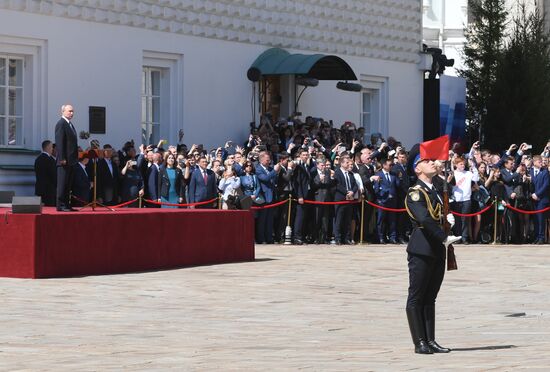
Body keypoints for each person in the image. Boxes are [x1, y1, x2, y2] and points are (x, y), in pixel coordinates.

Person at [404, 154, 461, 354]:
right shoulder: (415, 193)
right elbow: (425, 219)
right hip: (422, 248)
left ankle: (431, 340)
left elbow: (437, 215)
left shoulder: (435, 190)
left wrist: (448, 219)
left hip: (436, 248)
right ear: (417, 168)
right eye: (427, 161)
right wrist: (443, 237)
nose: (431, 163)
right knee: (417, 296)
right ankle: (419, 342)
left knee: (431, 297)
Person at [54, 104, 78, 211]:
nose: (71, 113)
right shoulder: (61, 123)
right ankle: (61, 205)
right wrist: (62, 158)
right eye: (69, 111)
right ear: (63, 111)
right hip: (64, 160)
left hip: (71, 160)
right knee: (62, 183)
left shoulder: (70, 124)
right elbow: (59, 142)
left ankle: (67, 204)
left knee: (68, 184)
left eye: (72, 111)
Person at [333, 155, 358, 244]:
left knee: (347, 220)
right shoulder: (337, 172)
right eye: (347, 162)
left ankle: (346, 238)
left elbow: (355, 185)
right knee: (339, 219)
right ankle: (338, 238)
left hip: (350, 199)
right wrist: (347, 192)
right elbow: (337, 185)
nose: (348, 164)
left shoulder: (350, 173)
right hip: (341, 199)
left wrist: (352, 192)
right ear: (342, 163)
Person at [255, 152, 279, 243]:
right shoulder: (258, 169)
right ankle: (261, 238)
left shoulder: (270, 168)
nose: (269, 162)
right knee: (262, 219)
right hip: (263, 197)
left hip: (272, 196)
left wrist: (275, 172)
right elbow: (265, 178)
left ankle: (269, 238)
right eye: (267, 160)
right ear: (261, 160)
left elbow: (274, 179)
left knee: (270, 219)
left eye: (269, 160)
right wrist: (274, 171)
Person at [374, 158, 398, 244]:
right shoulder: (379, 175)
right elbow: (376, 188)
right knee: (381, 220)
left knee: (392, 220)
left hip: (392, 201)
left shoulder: (393, 175)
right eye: (389, 165)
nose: (391, 166)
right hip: (382, 201)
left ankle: (392, 237)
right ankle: (380, 237)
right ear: (384, 165)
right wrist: (380, 198)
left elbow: (397, 185)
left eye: (392, 165)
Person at [530, 155, 550, 244]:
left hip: (542, 199)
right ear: (534, 163)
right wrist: (532, 195)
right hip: (533, 199)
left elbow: (546, 185)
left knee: (541, 219)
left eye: (542, 161)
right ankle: (536, 236)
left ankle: (541, 237)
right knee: (535, 219)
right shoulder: (530, 171)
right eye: (539, 162)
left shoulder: (545, 172)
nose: (541, 163)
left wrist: (537, 194)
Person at [34, 140, 57, 206]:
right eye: (52, 147)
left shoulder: (38, 159)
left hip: (40, 189)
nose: (52, 149)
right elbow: (53, 175)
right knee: (50, 209)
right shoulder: (49, 160)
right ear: (48, 147)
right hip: (49, 190)